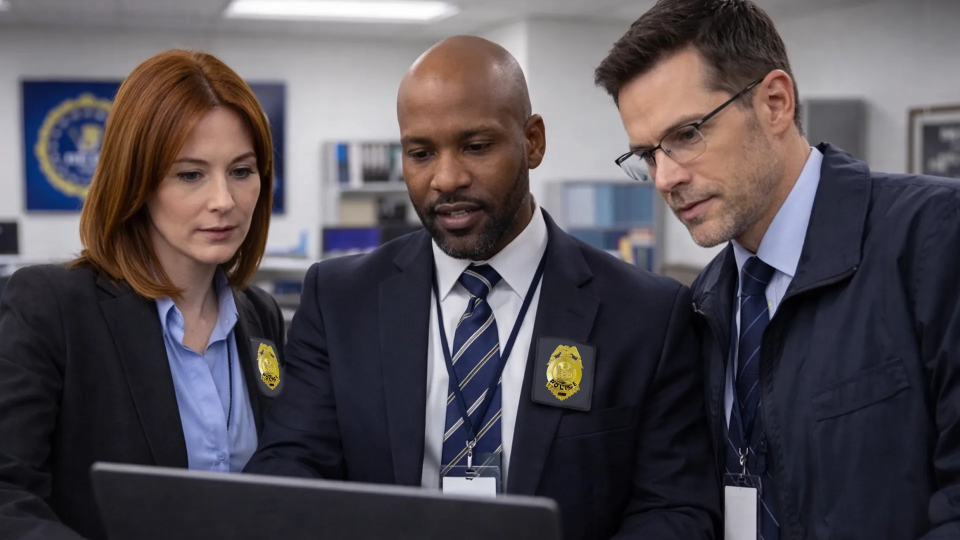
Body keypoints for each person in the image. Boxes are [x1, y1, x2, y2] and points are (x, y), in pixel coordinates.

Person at [244, 35, 719, 539]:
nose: (446, 178)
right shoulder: (341, 301)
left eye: (476, 146)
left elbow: (674, 508)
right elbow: (292, 471)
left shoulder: (646, 313)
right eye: (421, 153)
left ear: (532, 141)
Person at [595, 0, 960, 538]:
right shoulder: (704, 303)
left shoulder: (933, 238)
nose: (666, 177)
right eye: (648, 155)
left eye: (688, 134)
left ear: (774, 102)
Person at [0, 49, 286, 540]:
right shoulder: (51, 308)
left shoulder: (260, 316)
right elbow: (7, 495)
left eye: (241, 171)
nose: (224, 201)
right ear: (136, 181)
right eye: (190, 175)